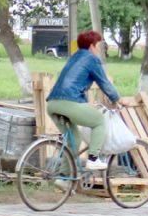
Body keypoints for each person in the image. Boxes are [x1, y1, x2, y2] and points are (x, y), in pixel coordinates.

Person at [46, 30, 122, 171]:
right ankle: (93, 159)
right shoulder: (91, 59)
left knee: (73, 139)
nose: (100, 49)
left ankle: (64, 178)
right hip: (69, 102)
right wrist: (118, 99)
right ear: (91, 46)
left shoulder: (74, 57)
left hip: (52, 104)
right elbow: (104, 83)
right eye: (98, 45)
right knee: (99, 121)